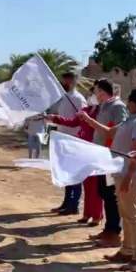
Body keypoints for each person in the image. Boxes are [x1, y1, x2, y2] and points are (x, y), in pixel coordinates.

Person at [79, 88, 136, 271]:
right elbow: (109, 133)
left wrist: (129, 177)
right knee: (125, 214)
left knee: (132, 216)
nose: (127, 103)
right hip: (119, 173)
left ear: (134, 103)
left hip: (130, 175)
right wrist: (89, 120)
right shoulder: (129, 121)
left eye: (129, 101)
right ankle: (127, 250)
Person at [77, 78, 128, 248]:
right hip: (101, 156)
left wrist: (90, 121)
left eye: (96, 91)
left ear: (103, 93)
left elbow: (119, 131)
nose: (94, 95)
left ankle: (115, 233)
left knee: (110, 194)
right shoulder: (104, 106)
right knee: (104, 191)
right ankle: (108, 229)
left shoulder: (118, 106)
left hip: (111, 157)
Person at [46, 91, 103, 226]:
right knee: (86, 183)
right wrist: (56, 118)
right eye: (91, 92)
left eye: (95, 92)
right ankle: (87, 214)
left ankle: (97, 215)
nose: (92, 96)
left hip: (95, 149)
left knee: (95, 185)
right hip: (82, 149)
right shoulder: (85, 110)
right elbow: (73, 122)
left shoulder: (101, 113)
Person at [51, 72, 87, 215]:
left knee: (75, 174)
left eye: (64, 81)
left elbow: (81, 121)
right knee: (66, 174)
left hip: (73, 141)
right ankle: (67, 202)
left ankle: (74, 205)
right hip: (62, 140)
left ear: (71, 82)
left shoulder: (78, 99)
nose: (61, 84)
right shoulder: (65, 98)